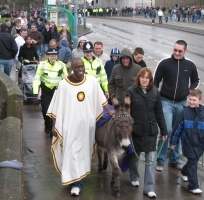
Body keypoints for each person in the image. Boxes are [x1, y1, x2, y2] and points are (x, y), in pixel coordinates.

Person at [47, 58, 113, 196]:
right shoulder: (64, 85)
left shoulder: (92, 82)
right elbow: (55, 106)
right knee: (71, 151)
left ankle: (76, 179)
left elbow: (101, 98)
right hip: (69, 126)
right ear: (72, 68)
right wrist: (54, 126)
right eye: (77, 67)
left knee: (83, 153)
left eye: (82, 66)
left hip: (87, 126)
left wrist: (109, 111)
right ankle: (76, 183)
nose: (80, 69)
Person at [154, 40, 200, 172]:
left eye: (180, 51)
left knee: (177, 131)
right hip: (166, 102)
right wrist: (155, 97)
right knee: (166, 131)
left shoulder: (190, 65)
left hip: (182, 103)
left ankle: (174, 160)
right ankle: (160, 160)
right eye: (175, 50)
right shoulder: (164, 63)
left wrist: (190, 89)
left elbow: (196, 80)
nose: (177, 53)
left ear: (185, 51)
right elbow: (156, 80)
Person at [126, 67, 168, 198]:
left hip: (150, 131)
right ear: (138, 78)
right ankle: (134, 177)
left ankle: (149, 188)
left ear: (150, 80)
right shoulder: (130, 91)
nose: (144, 80)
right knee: (134, 158)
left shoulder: (155, 92)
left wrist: (164, 130)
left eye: (147, 78)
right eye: (142, 77)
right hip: (135, 131)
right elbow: (125, 113)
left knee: (150, 160)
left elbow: (159, 113)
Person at [170, 89, 204, 194]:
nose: (191, 102)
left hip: (199, 143)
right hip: (188, 142)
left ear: (200, 101)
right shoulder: (184, 113)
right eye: (190, 99)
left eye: (194, 100)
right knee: (193, 162)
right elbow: (177, 129)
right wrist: (174, 142)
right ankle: (193, 186)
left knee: (192, 162)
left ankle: (184, 171)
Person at [33, 48, 68, 135]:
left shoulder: (61, 65)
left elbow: (66, 78)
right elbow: (37, 77)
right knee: (45, 109)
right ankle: (47, 123)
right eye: (51, 55)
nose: (53, 57)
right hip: (46, 90)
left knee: (56, 110)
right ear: (48, 56)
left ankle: (53, 126)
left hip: (57, 90)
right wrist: (35, 90)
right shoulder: (42, 65)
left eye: (55, 55)